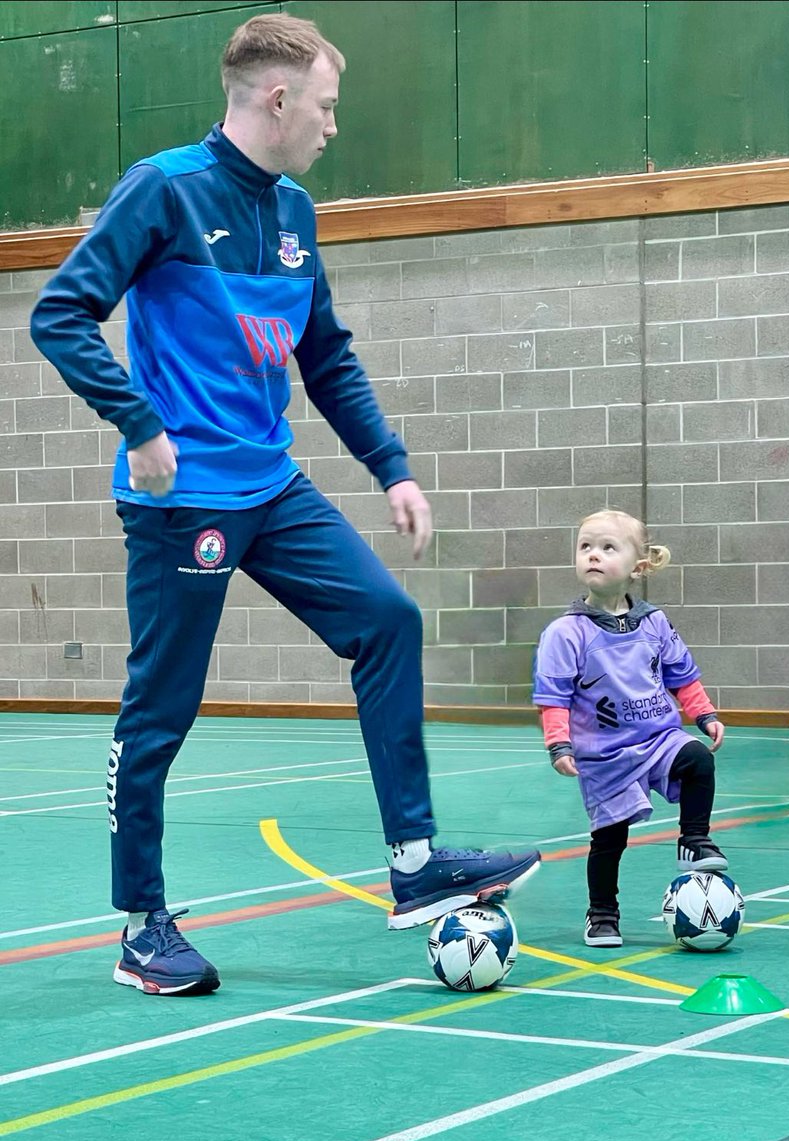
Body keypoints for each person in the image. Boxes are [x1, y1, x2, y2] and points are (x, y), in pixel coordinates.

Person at [30, 13, 539, 996]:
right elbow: (62, 312)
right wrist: (141, 425)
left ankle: (413, 864)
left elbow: (325, 356)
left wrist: (392, 468)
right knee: (161, 708)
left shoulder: (296, 212)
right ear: (278, 98)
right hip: (183, 503)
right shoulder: (165, 190)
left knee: (387, 620)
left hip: (273, 484)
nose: (331, 125)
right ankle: (141, 922)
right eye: (327, 105)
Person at [532, 510, 727, 949]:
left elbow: (682, 675)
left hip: (659, 739)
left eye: (607, 547)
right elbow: (553, 696)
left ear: (638, 567)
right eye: (585, 547)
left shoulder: (654, 623)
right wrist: (558, 743)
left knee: (696, 759)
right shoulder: (566, 632)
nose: (593, 555)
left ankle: (694, 841)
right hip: (606, 754)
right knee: (609, 837)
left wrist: (705, 714)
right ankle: (602, 914)